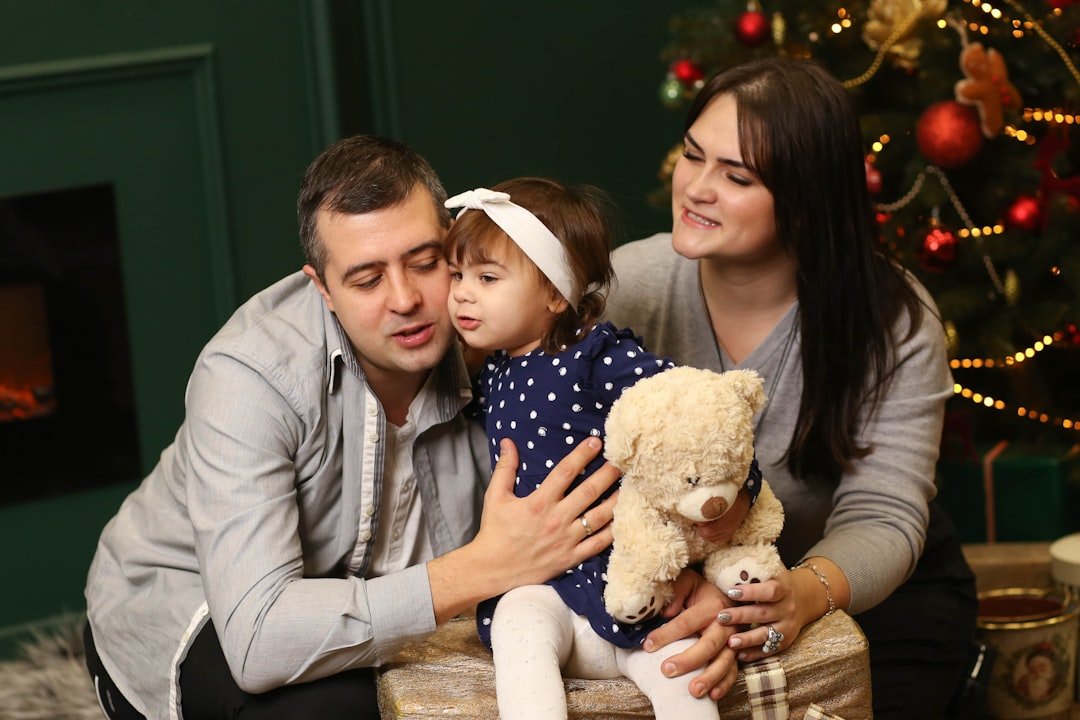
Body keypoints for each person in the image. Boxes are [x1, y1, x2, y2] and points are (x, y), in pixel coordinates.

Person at [81, 136, 622, 720]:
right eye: (366, 280)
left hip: (391, 598)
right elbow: (258, 641)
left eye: (424, 262)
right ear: (323, 288)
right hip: (201, 602)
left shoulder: (507, 332)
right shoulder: (249, 375)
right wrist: (483, 567)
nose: (406, 299)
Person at [605, 57, 978, 719]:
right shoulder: (624, 289)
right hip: (682, 586)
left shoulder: (891, 315)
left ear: (806, 197)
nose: (696, 188)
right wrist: (695, 588)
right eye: (693, 157)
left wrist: (799, 594)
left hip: (864, 593)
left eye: (737, 175)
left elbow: (884, 515)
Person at [444, 177, 732, 720]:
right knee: (515, 627)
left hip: (631, 575)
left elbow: (690, 408)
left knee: (680, 672)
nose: (461, 292)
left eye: (486, 277)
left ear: (555, 294)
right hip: (542, 583)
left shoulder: (598, 356)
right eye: (457, 275)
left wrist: (735, 489)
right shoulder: (495, 371)